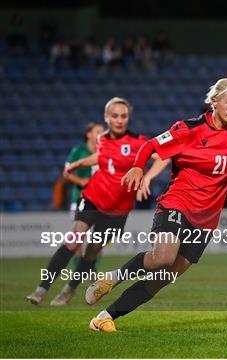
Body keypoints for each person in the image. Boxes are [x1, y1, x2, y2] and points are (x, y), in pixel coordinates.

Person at [84, 78, 227, 332]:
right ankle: (112, 278)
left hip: (206, 219)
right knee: (162, 259)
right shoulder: (188, 129)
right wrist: (137, 166)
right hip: (177, 203)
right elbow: (150, 145)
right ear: (214, 102)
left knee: (165, 277)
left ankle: (105, 317)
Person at [26, 97, 169, 306]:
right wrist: (78, 163)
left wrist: (147, 177)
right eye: (115, 116)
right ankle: (41, 289)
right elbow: (102, 158)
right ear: (106, 117)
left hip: (118, 209)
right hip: (93, 197)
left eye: (123, 116)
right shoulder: (102, 139)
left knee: (91, 251)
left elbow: (164, 157)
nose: (119, 120)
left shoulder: (139, 142)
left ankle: (69, 289)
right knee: (73, 240)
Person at [64, 122, 105, 270]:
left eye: (103, 131)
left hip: (101, 201)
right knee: (79, 237)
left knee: (98, 237)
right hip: (80, 199)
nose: (101, 134)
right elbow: (66, 173)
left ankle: (92, 268)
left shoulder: (105, 151)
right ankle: (78, 269)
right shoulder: (79, 151)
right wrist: (81, 181)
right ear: (88, 134)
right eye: (98, 131)